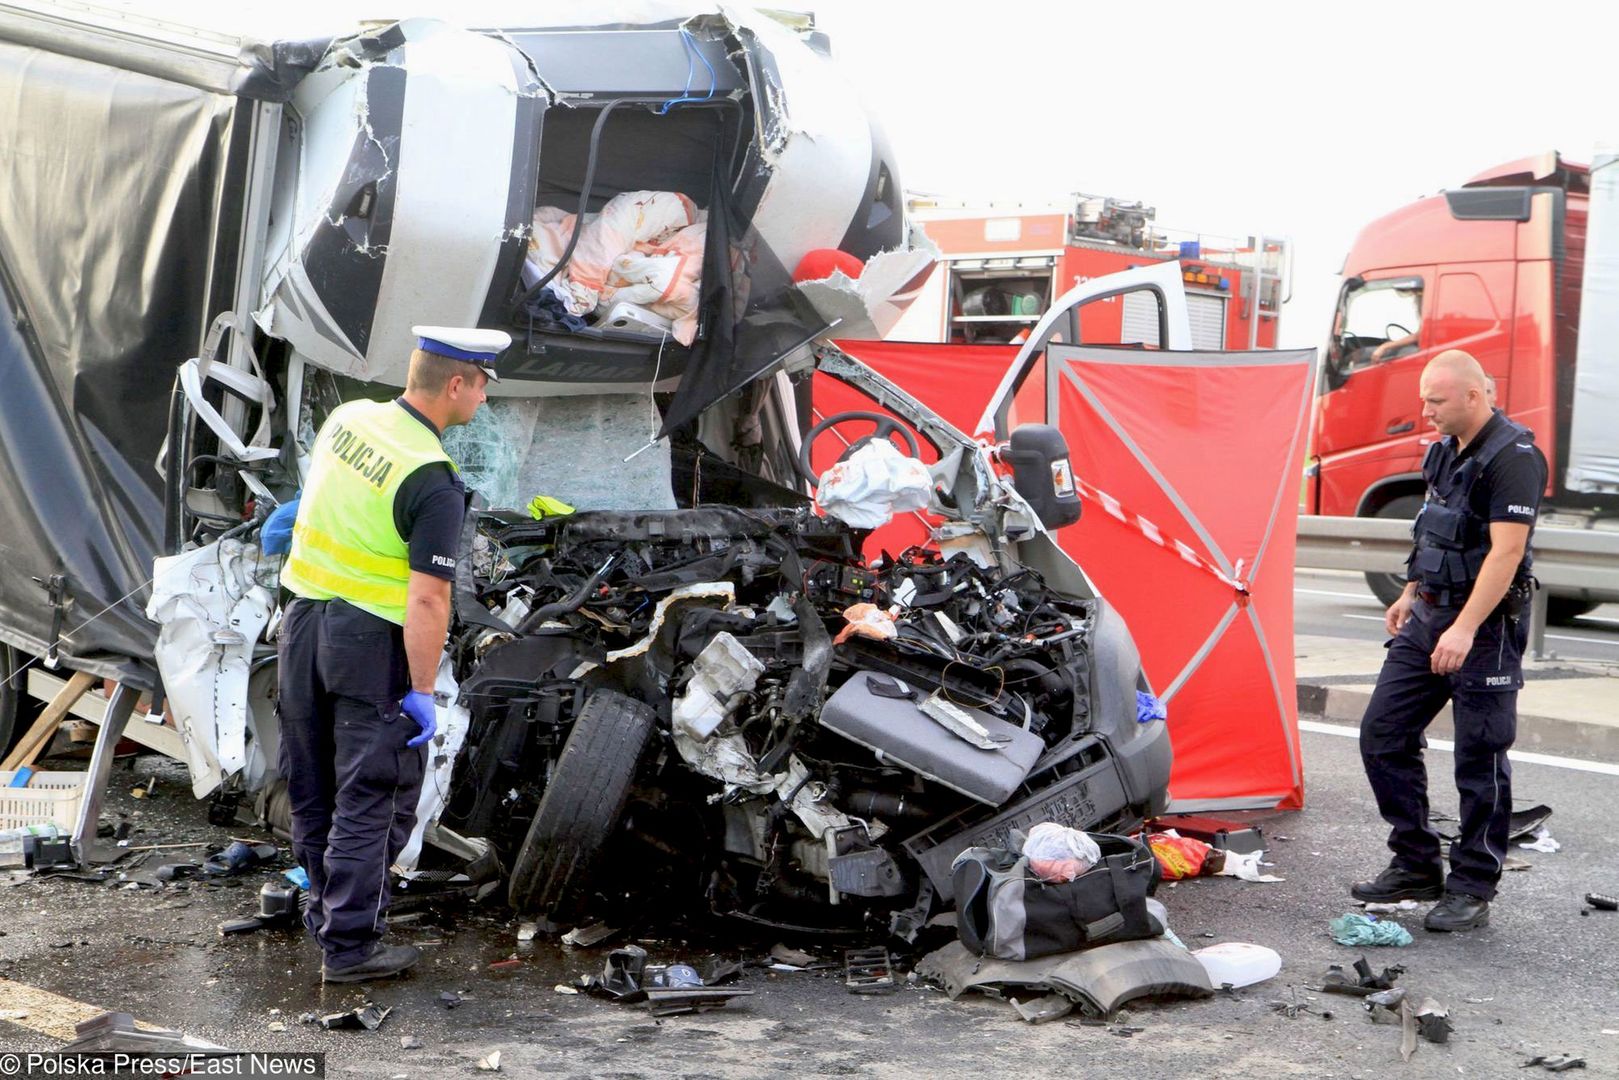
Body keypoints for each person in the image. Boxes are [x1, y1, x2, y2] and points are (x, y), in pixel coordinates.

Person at [274, 325, 507, 982]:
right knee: (371, 794)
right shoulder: (432, 479)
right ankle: (349, 949)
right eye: (483, 384)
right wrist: (424, 691)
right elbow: (429, 600)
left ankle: (328, 912)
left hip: (302, 625)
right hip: (368, 644)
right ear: (456, 383)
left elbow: (318, 505)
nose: (484, 400)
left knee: (313, 784)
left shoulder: (349, 420)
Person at [1352, 349, 1545, 932]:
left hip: (1484, 627)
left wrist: (1465, 627)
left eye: (1435, 400)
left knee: (1480, 756)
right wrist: (1411, 590)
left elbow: (1507, 553)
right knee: (1383, 734)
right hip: (1430, 614)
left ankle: (1471, 885)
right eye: (1424, 398)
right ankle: (1415, 863)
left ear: (1472, 396)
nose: (1424, 410)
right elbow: (1436, 525)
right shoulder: (1444, 452)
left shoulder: (1514, 457)